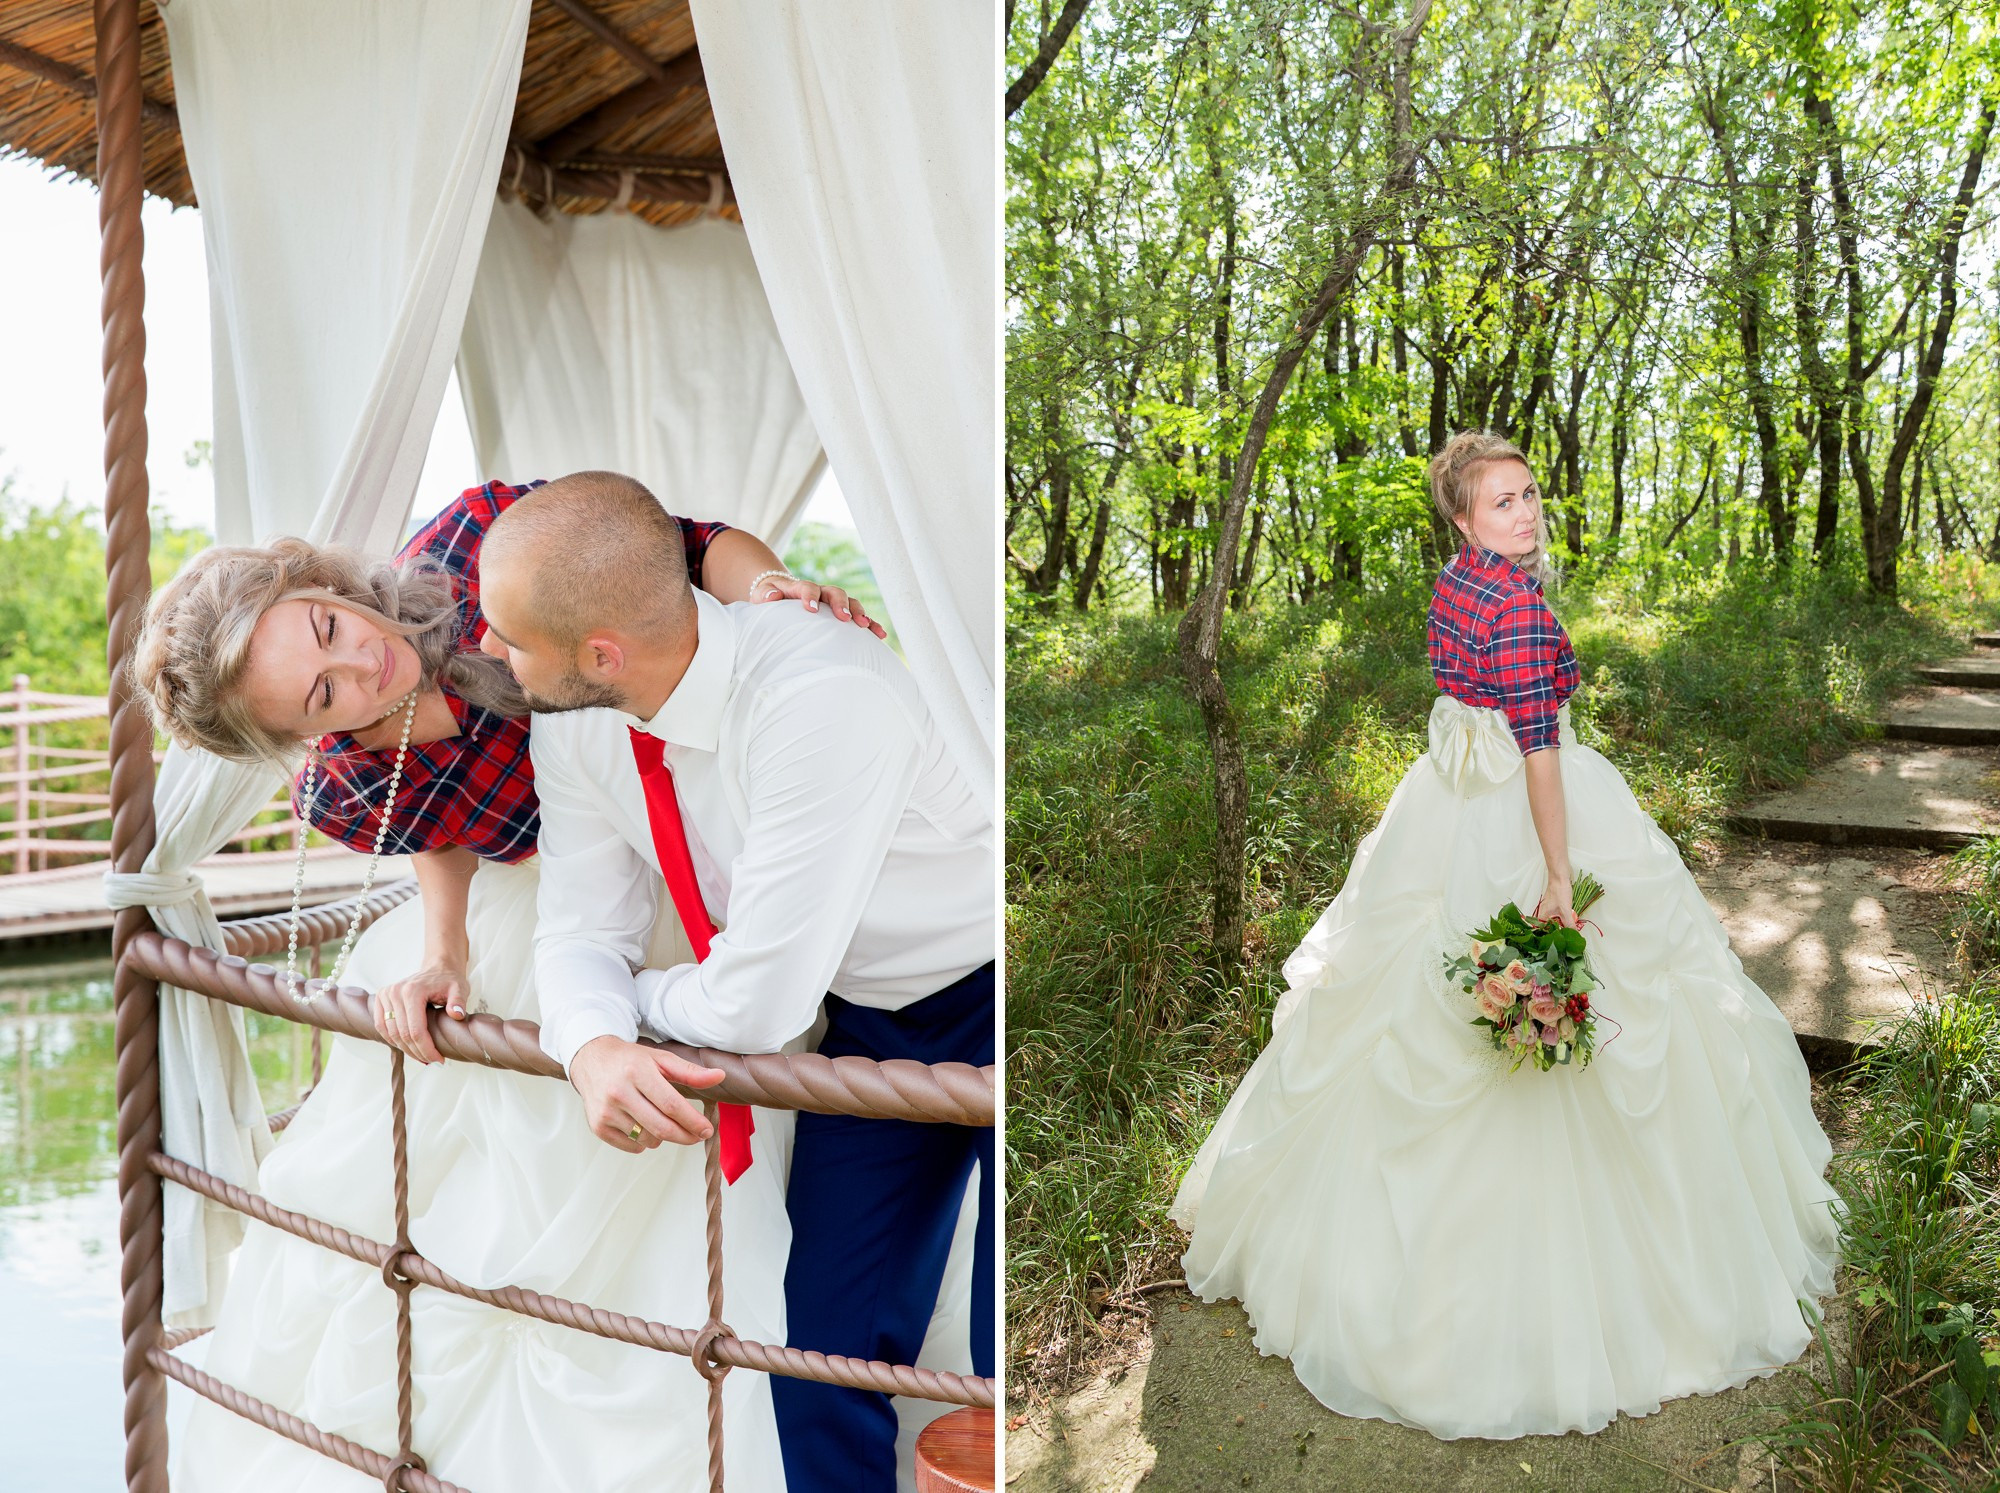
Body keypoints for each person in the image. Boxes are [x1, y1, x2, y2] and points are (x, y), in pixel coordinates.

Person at [129, 480, 878, 1490]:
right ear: (306, 736)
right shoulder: (341, 789)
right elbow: (436, 834)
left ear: (316, 581)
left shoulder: (476, 540)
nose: (359, 660)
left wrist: (770, 588)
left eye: (325, 625)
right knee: (454, 1169)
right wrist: (442, 952)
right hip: (539, 906)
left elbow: (677, 546)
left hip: (670, 866)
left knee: (700, 1121)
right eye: (323, 693)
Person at [1169, 430, 1841, 1441]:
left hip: (1441, 803)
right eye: (1499, 503)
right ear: (1459, 517)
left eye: (1527, 495)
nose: (1522, 513)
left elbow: (1461, 691)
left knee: (1417, 1004)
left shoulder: (1455, 582)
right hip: (1521, 808)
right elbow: (1536, 753)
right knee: (1564, 1014)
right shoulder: (1519, 603)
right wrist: (1559, 876)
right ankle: (1547, 1296)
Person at [470, 471, 995, 1493]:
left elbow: (755, 1006)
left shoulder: (820, 693)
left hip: (992, 994)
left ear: (601, 653)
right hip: (871, 1026)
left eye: (508, 636)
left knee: (995, 1356)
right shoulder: (575, 720)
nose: (486, 653)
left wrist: (627, 1002)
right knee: (816, 1358)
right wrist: (592, 1044)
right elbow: (579, 921)